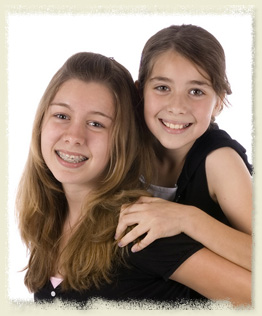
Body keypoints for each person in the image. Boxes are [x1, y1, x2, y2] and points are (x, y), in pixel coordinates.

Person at [16, 51, 250, 308]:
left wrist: (191, 219)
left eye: (96, 124)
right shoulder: (48, 222)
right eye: (61, 116)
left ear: (122, 139)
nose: (74, 136)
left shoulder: (139, 230)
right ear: (40, 122)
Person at [115, 23, 253, 288]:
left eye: (196, 91)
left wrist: (187, 218)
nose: (177, 107)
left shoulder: (220, 160)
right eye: (162, 88)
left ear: (219, 102)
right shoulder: (126, 145)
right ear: (139, 91)